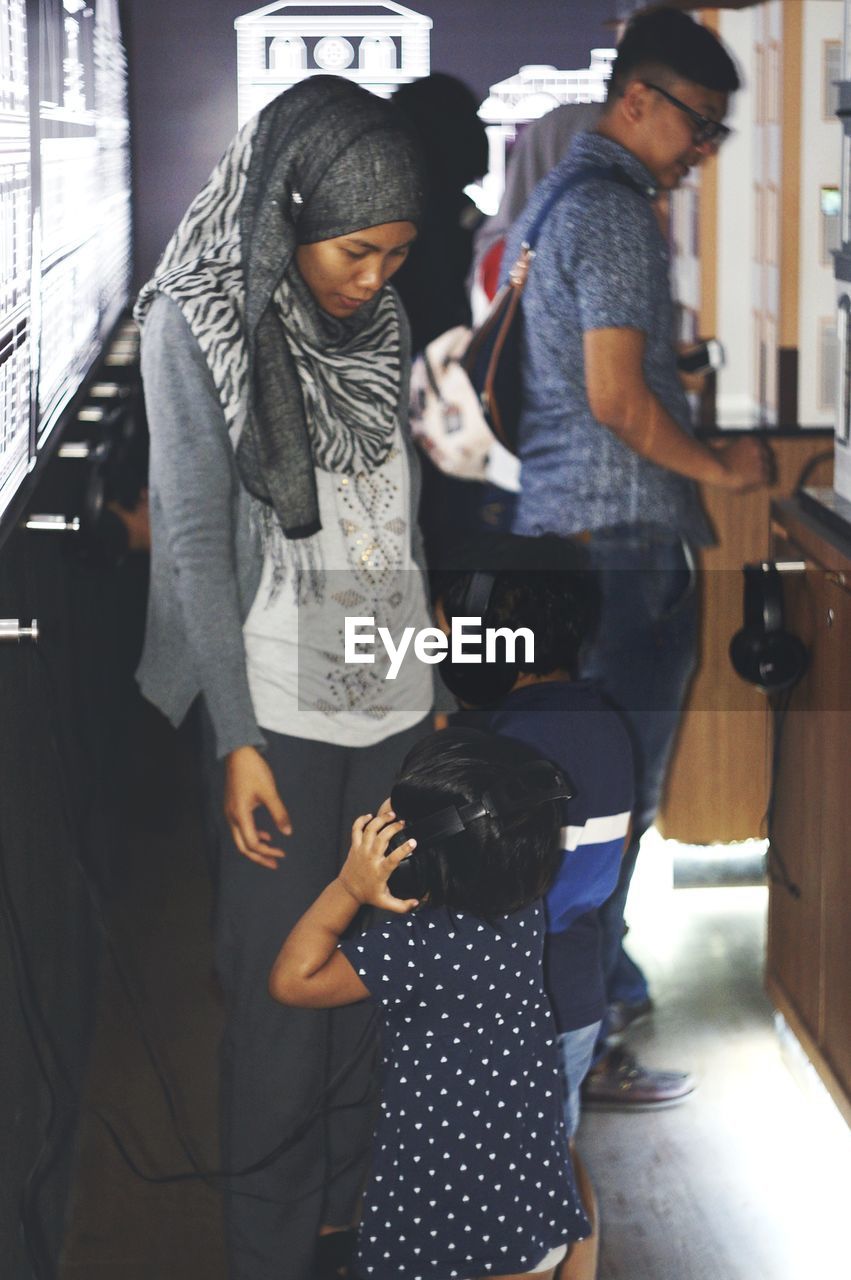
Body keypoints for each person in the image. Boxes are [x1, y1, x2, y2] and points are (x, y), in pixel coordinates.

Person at [133, 76, 435, 1280]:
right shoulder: (189, 320)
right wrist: (236, 738)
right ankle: (266, 1252)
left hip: (389, 693)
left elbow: (393, 500)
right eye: (355, 248)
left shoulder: (382, 315)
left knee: (371, 981)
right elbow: (198, 543)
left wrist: (432, 667)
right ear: (291, 206)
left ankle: (348, 1235)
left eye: (396, 253)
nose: (371, 276)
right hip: (276, 703)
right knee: (276, 1007)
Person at [502, 7, 773, 1105]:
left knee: (576, 798)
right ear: (636, 103)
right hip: (620, 545)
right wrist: (720, 469)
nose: (703, 152)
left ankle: (587, 1000)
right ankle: (584, 1034)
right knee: (608, 806)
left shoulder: (564, 193)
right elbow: (615, 401)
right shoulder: (611, 210)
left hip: (573, 539)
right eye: (698, 127)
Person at [269, 728, 592, 1280]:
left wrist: (350, 887)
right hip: (524, 1176)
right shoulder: (524, 906)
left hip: (438, 1191)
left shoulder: (413, 944)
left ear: (413, 859)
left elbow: (292, 981)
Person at [432, 533, 633, 1280]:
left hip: (508, 1002)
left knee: (503, 1212)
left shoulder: (506, 746)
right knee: (558, 1158)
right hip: (576, 989)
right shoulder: (606, 721)